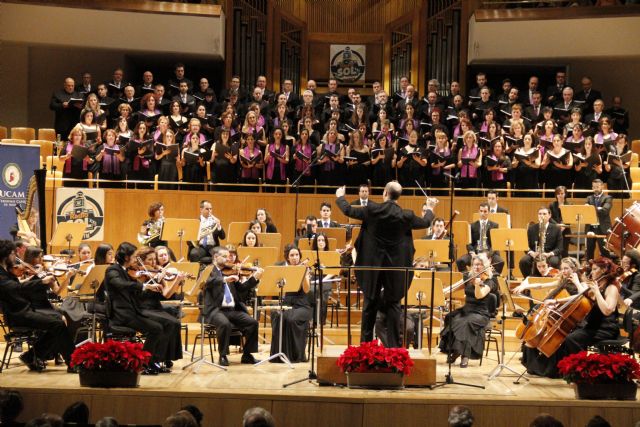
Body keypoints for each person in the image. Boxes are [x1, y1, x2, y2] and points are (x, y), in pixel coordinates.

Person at [335, 181, 437, 347]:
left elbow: (348, 210)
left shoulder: (372, 210)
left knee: (370, 304)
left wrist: (340, 197)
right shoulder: (406, 215)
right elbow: (425, 222)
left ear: (384, 193)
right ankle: (394, 348)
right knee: (394, 305)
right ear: (398, 196)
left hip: (372, 267)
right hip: (395, 269)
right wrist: (430, 208)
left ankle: (365, 347)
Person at [0, 240, 75, 372]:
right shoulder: (1, 275)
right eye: (13, 253)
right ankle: (74, 363)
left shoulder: (5, 271)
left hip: (25, 310)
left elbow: (19, 284)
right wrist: (41, 282)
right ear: (6, 255)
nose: (15, 257)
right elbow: (17, 288)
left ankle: (31, 356)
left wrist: (36, 278)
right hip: (18, 315)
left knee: (57, 322)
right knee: (58, 324)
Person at [105, 242, 172, 375]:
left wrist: (150, 288)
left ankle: (151, 362)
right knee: (156, 328)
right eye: (134, 257)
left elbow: (137, 293)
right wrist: (143, 286)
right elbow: (120, 284)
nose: (136, 260)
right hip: (121, 315)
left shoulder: (126, 272)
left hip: (132, 312)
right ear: (126, 257)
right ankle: (143, 363)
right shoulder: (112, 270)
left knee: (161, 325)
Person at [203, 246, 263, 366]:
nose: (228, 259)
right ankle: (223, 355)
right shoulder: (207, 270)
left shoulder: (230, 271)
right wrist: (225, 279)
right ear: (215, 257)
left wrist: (254, 278)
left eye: (228, 256)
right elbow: (208, 282)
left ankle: (247, 355)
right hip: (215, 310)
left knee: (252, 323)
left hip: (232, 310)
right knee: (224, 323)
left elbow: (241, 289)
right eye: (224, 256)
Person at [439, 253, 499, 367]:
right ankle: (455, 350)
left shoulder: (490, 281)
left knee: (466, 323)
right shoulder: (468, 277)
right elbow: (453, 288)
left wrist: (477, 285)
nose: (477, 267)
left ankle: (464, 355)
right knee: (450, 317)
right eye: (475, 265)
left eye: (480, 265)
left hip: (481, 313)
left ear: (485, 266)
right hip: (467, 309)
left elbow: (479, 296)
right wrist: (443, 291)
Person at [270, 244, 312, 362]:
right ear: (287, 258)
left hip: (302, 305)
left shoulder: (305, 269)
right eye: (292, 255)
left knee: (291, 319)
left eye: (297, 255)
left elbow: (307, 289)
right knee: (277, 315)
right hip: (287, 303)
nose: (295, 257)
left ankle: (295, 355)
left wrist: (303, 274)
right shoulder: (284, 270)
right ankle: (279, 355)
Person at [455, 203, 504, 274]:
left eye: (485, 211)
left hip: (489, 253)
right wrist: (473, 254)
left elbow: (495, 244)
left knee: (500, 262)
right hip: (475, 252)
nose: (482, 213)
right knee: (460, 261)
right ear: (478, 211)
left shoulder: (495, 225)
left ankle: (492, 280)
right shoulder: (472, 225)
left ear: (489, 212)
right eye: (481, 211)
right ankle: (468, 280)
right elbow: (468, 242)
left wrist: (488, 255)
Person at [519, 207, 564, 276]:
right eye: (540, 214)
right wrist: (532, 253)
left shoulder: (556, 228)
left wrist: (549, 254)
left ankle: (550, 281)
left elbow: (560, 248)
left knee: (553, 262)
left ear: (549, 215)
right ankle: (529, 280)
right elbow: (526, 245)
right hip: (535, 253)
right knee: (523, 261)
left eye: (544, 214)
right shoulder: (532, 228)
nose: (542, 216)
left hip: (549, 254)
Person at [585, 179, 615, 260]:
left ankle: (607, 269)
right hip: (590, 227)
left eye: (597, 187)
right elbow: (586, 211)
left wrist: (591, 208)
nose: (596, 189)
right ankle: (589, 269)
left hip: (602, 228)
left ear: (602, 186)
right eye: (594, 187)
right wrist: (598, 208)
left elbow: (605, 211)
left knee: (604, 251)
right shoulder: (589, 198)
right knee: (589, 251)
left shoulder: (608, 197)